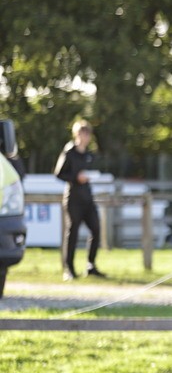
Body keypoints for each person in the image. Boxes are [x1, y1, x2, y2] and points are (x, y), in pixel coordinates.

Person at [54, 120, 106, 280]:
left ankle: (91, 265)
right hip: (73, 198)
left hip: (87, 198)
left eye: (88, 134)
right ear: (77, 134)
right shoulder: (69, 153)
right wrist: (76, 178)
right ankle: (68, 268)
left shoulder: (89, 155)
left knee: (96, 229)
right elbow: (59, 173)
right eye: (83, 133)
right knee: (73, 233)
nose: (86, 137)